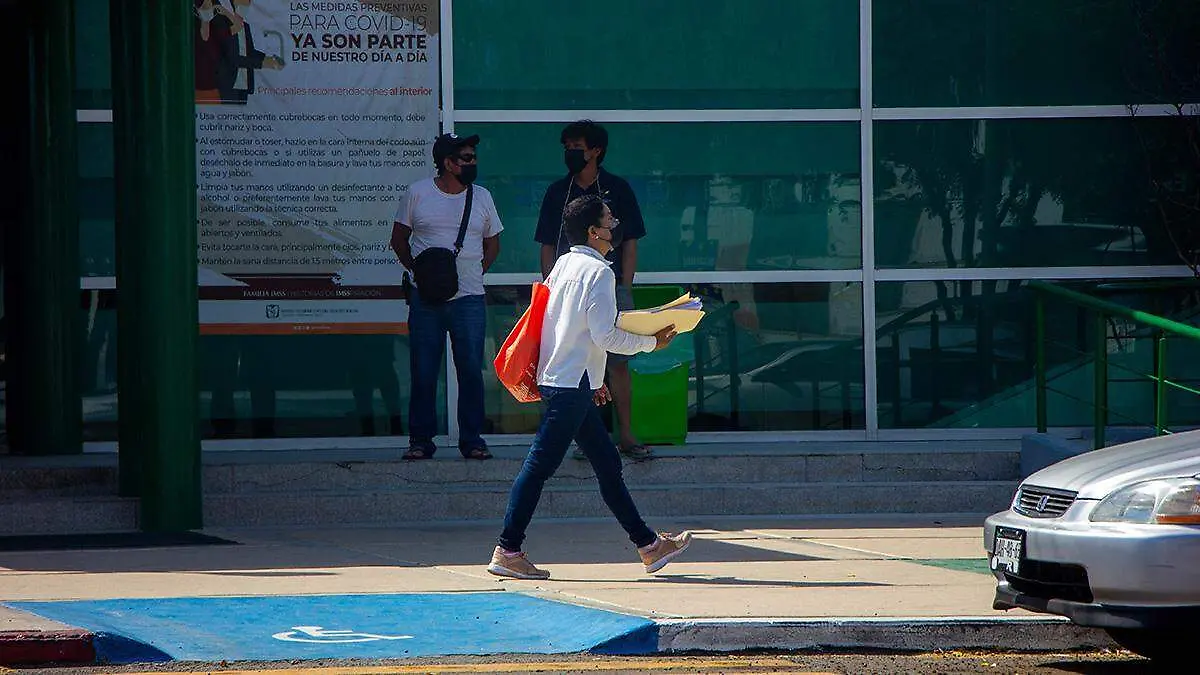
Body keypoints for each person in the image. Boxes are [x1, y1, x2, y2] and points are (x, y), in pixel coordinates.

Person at [488, 194, 692, 580]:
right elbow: (606, 336)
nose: (615, 223)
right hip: (569, 387)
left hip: (565, 380)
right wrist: (652, 342)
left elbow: (565, 329)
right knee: (538, 467)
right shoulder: (599, 273)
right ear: (593, 231)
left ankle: (649, 547)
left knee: (607, 464)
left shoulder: (563, 264)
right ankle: (507, 549)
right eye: (609, 218)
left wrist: (592, 380)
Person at [534, 120, 651, 460]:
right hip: (568, 289)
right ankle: (581, 438)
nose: (570, 152)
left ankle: (626, 434)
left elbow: (630, 241)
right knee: (572, 362)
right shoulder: (558, 192)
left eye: (577, 146)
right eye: (567, 146)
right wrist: (548, 287)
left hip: (610, 286)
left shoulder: (618, 189)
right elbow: (545, 243)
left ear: (596, 150)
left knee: (617, 362)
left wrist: (624, 285)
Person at [391, 133, 502, 460]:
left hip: (468, 298)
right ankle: (420, 440)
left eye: (473, 157)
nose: (472, 162)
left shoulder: (481, 197)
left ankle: (473, 440)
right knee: (423, 370)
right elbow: (398, 240)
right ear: (447, 163)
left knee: (471, 369)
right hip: (425, 299)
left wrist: (474, 272)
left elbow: (493, 243)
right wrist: (417, 273)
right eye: (465, 158)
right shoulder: (418, 193)